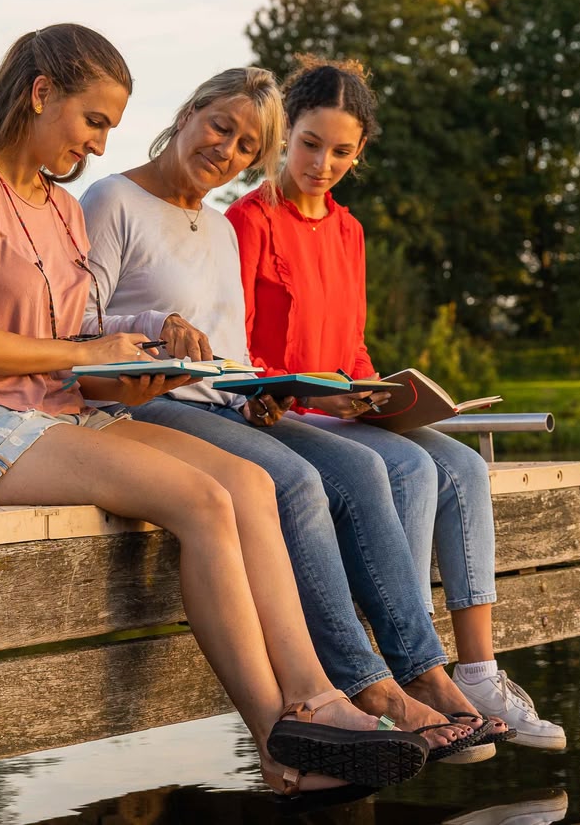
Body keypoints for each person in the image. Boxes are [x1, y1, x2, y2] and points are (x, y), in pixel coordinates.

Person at [0, 25, 426, 797]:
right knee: (199, 500)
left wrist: (132, 368)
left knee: (254, 485)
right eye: (92, 121)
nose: (98, 146)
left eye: (109, 131)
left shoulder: (61, 210)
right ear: (40, 94)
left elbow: (74, 344)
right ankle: (278, 738)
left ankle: (320, 698)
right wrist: (85, 359)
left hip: (63, 414)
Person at [80, 67, 502, 763]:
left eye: (246, 145)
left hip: (225, 402)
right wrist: (160, 325)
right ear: (187, 112)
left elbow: (237, 353)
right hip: (148, 404)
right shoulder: (112, 199)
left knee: (365, 467)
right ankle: (368, 687)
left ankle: (423, 671)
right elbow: (78, 325)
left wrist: (268, 390)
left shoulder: (216, 228)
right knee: (298, 483)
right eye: (221, 127)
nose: (228, 150)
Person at [225, 57, 565, 749]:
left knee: (463, 468)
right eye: (310, 144)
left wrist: (382, 395)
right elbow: (239, 355)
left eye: (341, 151)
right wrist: (316, 392)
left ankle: (476, 671)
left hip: (343, 409)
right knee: (408, 470)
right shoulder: (247, 220)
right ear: (284, 132)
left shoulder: (349, 231)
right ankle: (409, 669)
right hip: (283, 412)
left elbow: (350, 348)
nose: (323, 163)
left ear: (362, 151)